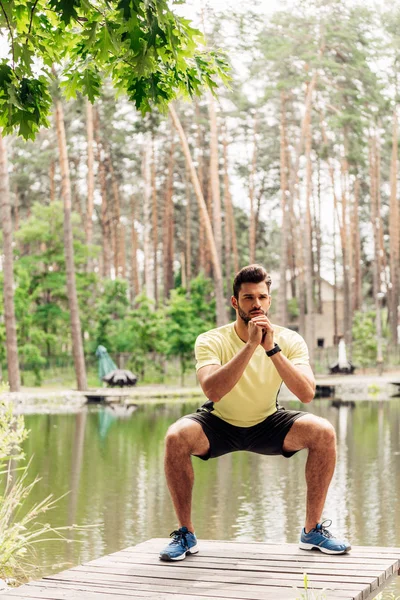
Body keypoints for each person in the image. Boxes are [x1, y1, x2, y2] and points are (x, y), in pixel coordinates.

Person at [160, 264, 350, 561]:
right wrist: (250, 345)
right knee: (176, 436)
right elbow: (213, 391)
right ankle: (185, 534)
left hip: (267, 422)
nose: (256, 304)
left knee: (323, 431)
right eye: (248, 298)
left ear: (269, 300)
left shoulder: (289, 340)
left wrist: (271, 348)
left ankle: (312, 530)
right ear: (235, 302)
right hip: (219, 422)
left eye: (262, 297)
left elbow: (306, 394)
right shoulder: (211, 340)